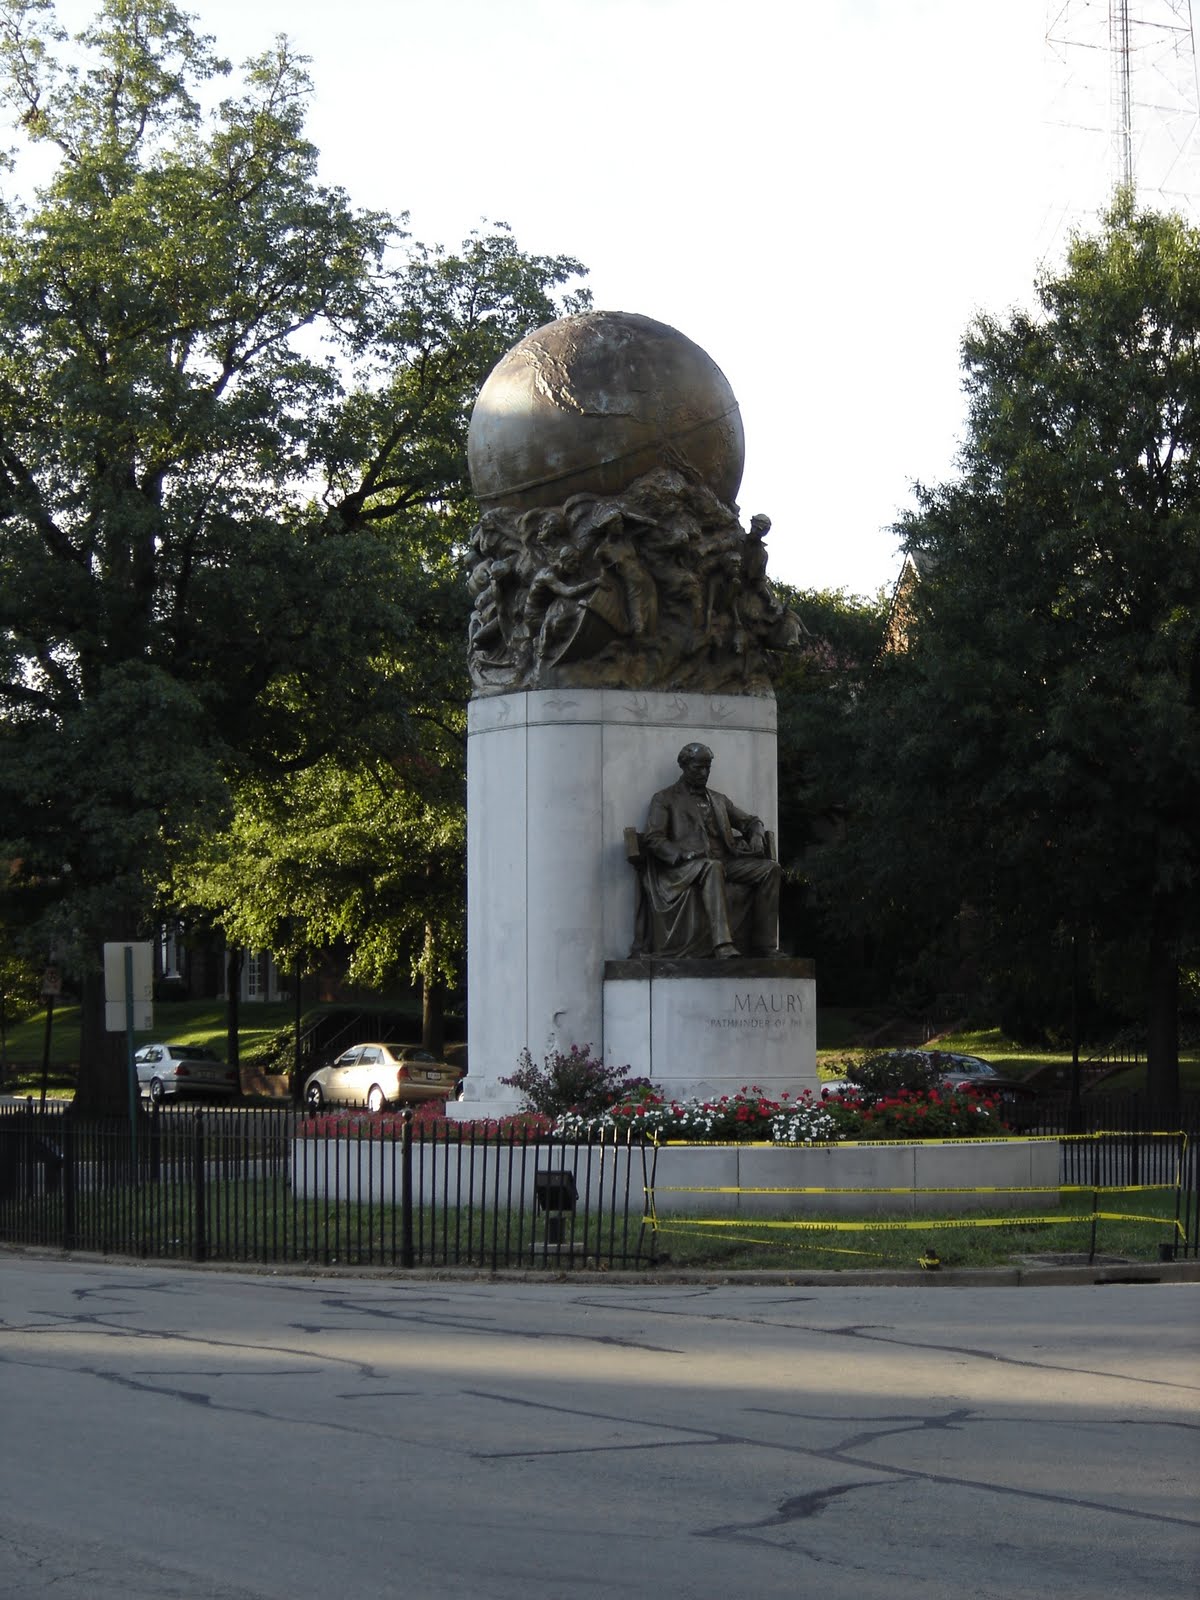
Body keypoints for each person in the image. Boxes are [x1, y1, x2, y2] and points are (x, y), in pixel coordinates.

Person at [640, 742, 782, 958]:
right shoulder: (665, 798)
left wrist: (756, 833)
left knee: (770, 869)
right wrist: (680, 854)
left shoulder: (718, 799)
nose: (704, 773)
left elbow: (751, 821)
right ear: (684, 766)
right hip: (686, 867)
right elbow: (653, 837)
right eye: (699, 767)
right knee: (712, 867)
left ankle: (766, 945)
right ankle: (722, 945)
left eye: (708, 768)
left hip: (726, 862)